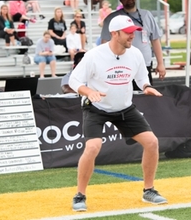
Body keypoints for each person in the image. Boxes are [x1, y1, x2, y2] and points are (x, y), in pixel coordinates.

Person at [69, 15, 167, 212]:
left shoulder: (136, 54)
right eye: (128, 33)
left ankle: (149, 190)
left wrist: (146, 87)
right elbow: (74, 80)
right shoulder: (94, 55)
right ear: (114, 34)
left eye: (134, 33)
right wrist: (89, 92)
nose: (132, 36)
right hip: (96, 107)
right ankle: (80, 195)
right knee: (93, 147)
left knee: (152, 142)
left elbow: (141, 78)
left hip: (124, 107)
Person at [100, 0, 166, 86]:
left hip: (144, 64)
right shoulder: (112, 19)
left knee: (145, 95)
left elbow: (155, 39)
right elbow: (104, 42)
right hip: (120, 66)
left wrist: (160, 63)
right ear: (120, 0)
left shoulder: (147, 15)